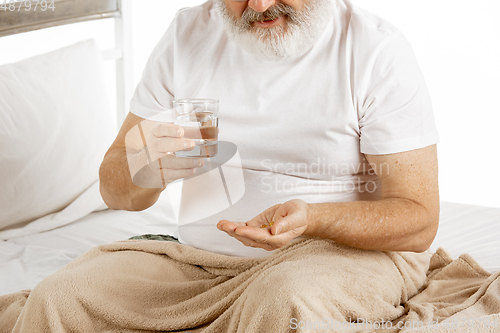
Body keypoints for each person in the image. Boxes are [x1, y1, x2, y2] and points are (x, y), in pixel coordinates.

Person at [11, 0, 440, 331]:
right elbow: (114, 190)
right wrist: (149, 167)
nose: (257, 6)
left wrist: (314, 219)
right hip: (198, 262)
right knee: (61, 295)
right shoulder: (187, 35)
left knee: (283, 301)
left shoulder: (374, 50)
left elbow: (419, 221)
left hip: (339, 257)